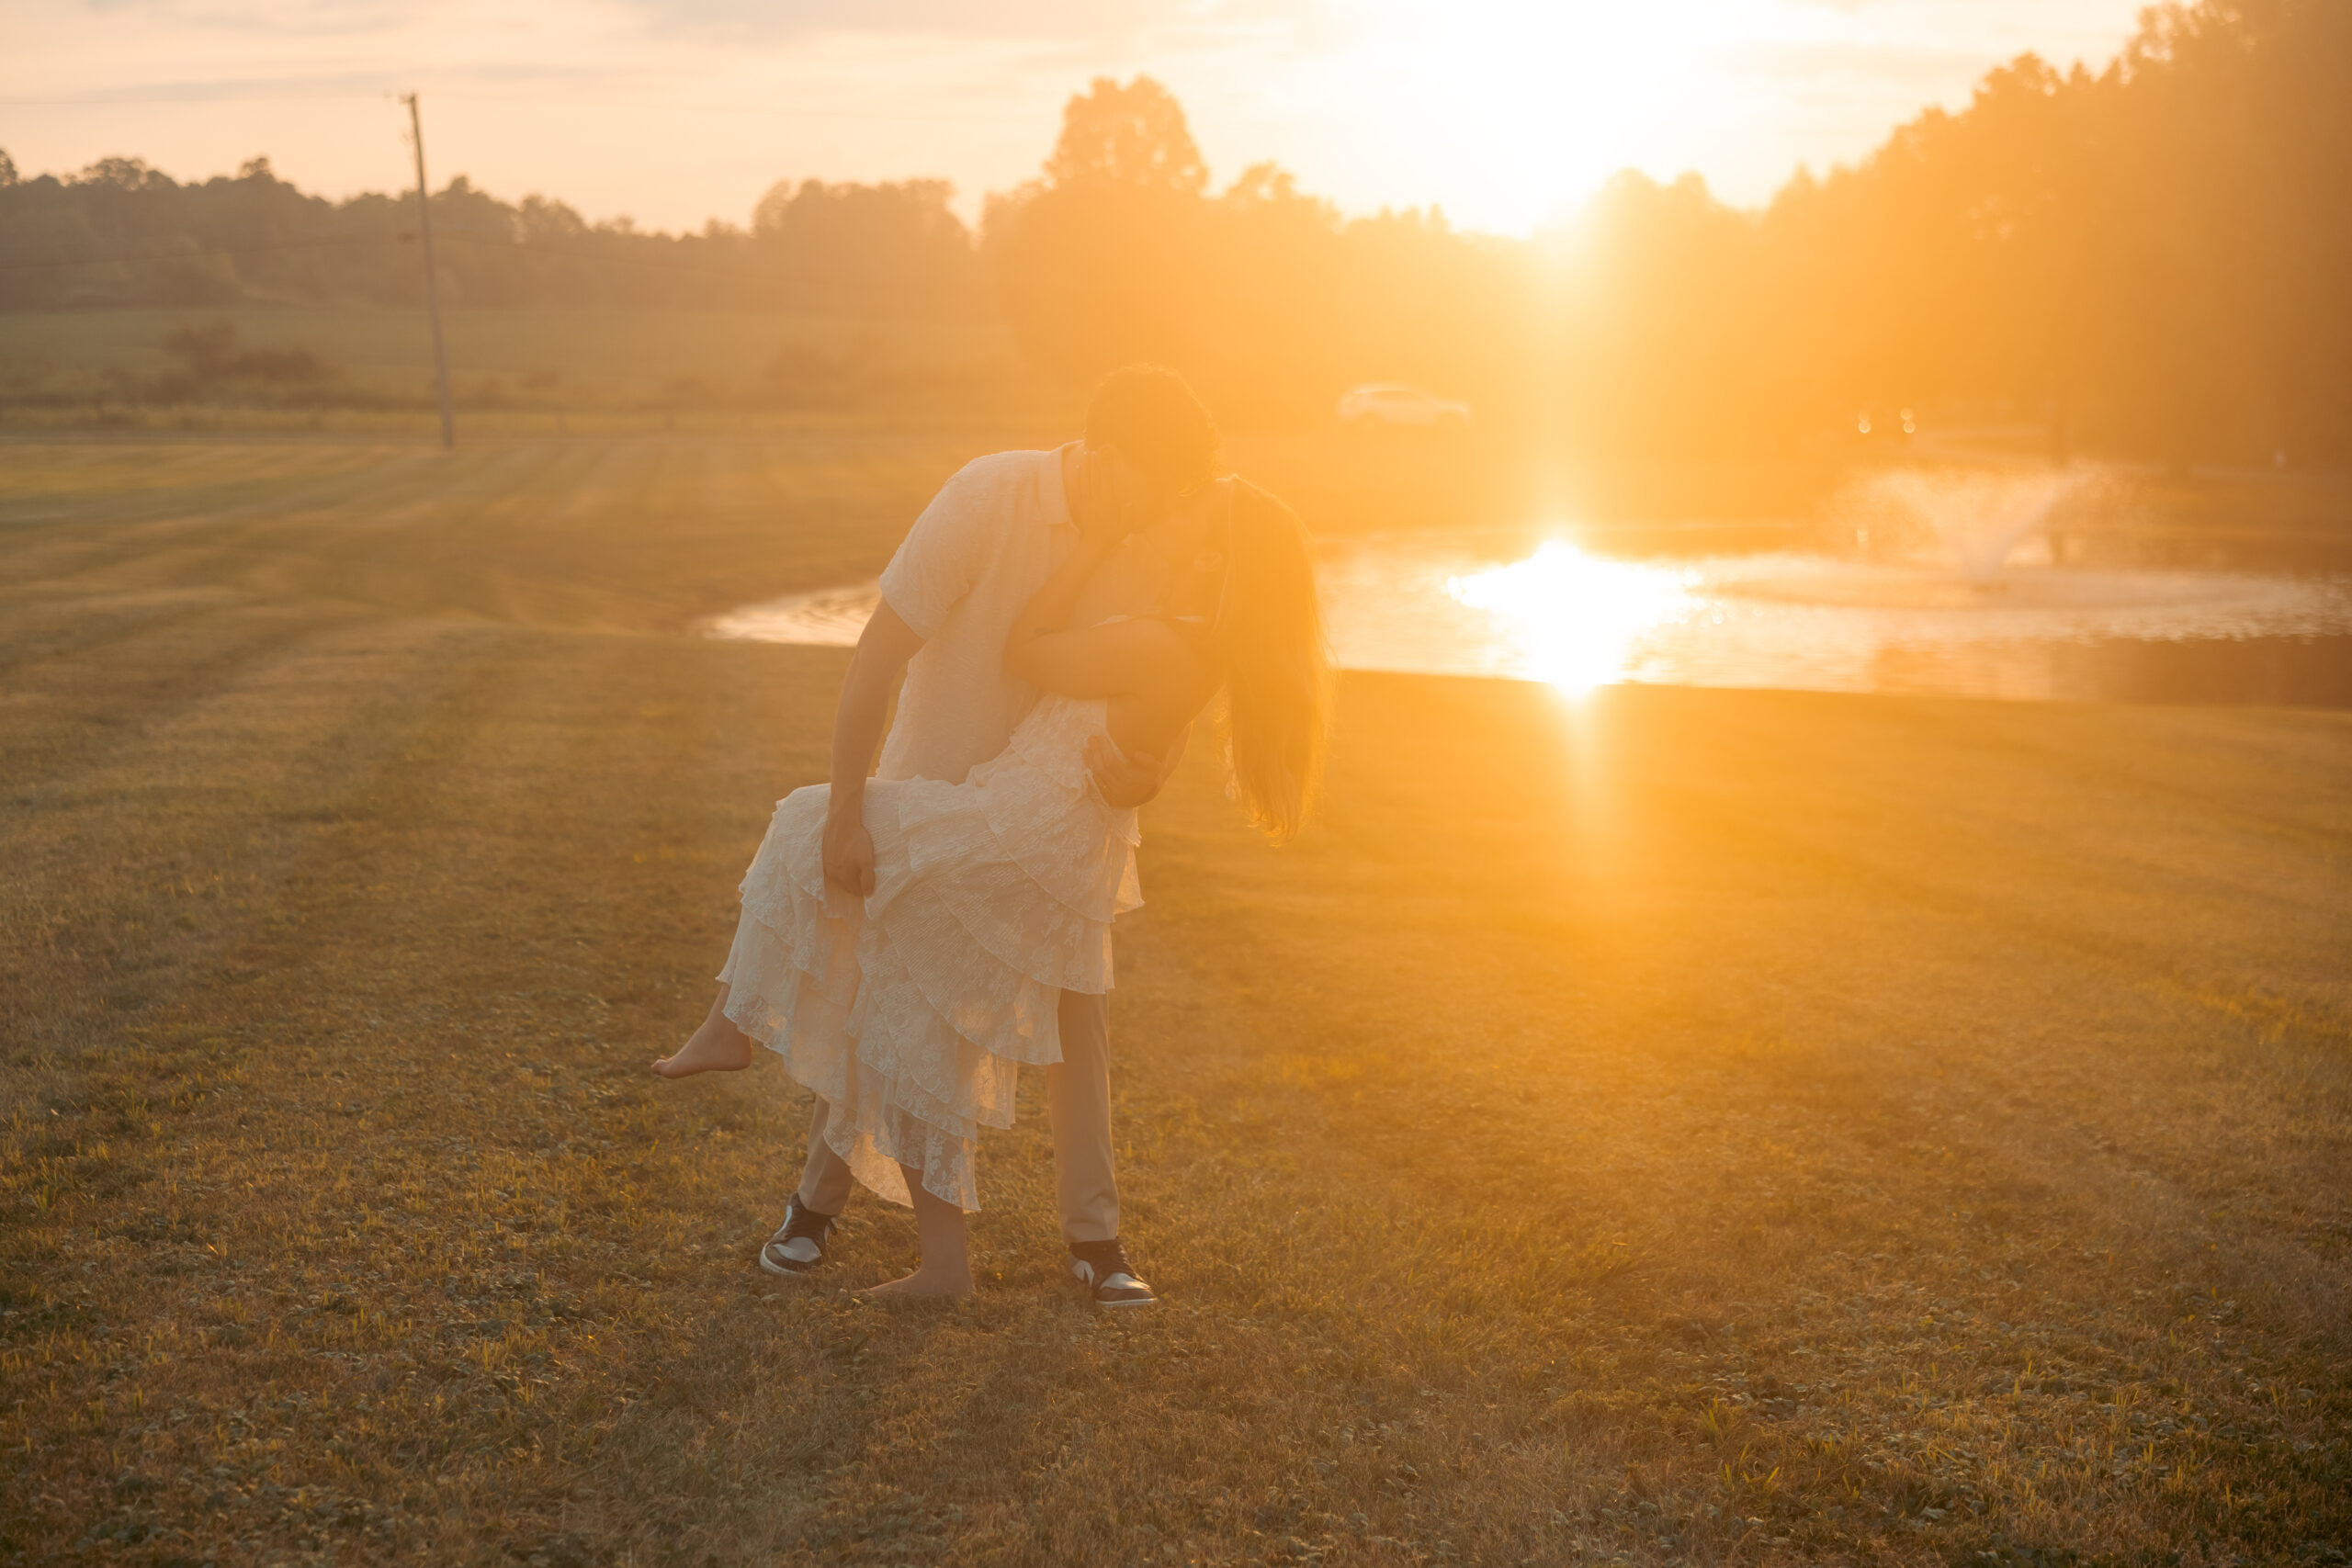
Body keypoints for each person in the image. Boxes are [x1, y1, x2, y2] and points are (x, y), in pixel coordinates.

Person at [657, 367, 1327, 1304]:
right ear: (1101, 458)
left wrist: (1151, 764)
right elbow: (877, 655)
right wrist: (850, 804)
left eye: (1180, 495)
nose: (1165, 509)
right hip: (945, 779)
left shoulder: (1152, 534)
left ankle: (1094, 1244)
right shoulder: (988, 495)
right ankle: (816, 1210)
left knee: (1070, 1006)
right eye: (1153, 487)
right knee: (893, 998)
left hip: (1056, 818)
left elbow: (1159, 683)